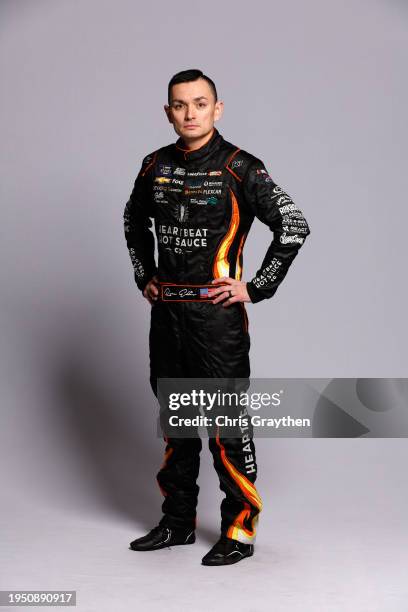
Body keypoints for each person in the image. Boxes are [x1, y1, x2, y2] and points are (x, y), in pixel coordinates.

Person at [123, 69, 310, 566]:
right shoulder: (154, 164)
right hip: (167, 316)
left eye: (200, 104)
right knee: (176, 424)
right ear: (168, 112)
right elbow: (132, 219)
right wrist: (144, 274)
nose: (190, 114)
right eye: (180, 105)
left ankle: (239, 530)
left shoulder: (240, 166)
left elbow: (293, 226)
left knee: (226, 424)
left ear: (217, 109)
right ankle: (177, 523)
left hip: (216, 319)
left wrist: (256, 288)